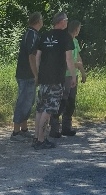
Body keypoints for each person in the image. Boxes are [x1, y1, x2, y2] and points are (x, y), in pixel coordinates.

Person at [32, 12, 77, 151]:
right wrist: (73, 76)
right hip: (56, 78)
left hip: (43, 78)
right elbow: (69, 59)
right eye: (66, 20)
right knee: (49, 109)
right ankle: (41, 139)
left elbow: (37, 57)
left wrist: (37, 74)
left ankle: (36, 137)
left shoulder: (44, 36)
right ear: (62, 22)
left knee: (40, 108)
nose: (67, 22)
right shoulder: (66, 37)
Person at [50, 18, 86, 138]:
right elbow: (66, 60)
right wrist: (78, 66)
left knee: (71, 102)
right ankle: (54, 127)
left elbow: (78, 57)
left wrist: (82, 72)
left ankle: (66, 127)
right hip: (65, 75)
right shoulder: (65, 40)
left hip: (73, 75)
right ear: (76, 29)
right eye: (79, 28)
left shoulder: (75, 41)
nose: (80, 30)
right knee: (62, 101)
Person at [10, 12, 43, 140]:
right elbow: (31, 56)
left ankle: (24, 129)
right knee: (23, 101)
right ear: (38, 21)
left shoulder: (30, 33)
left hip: (25, 74)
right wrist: (36, 74)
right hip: (26, 74)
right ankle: (16, 132)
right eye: (41, 20)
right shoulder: (32, 35)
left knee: (29, 102)